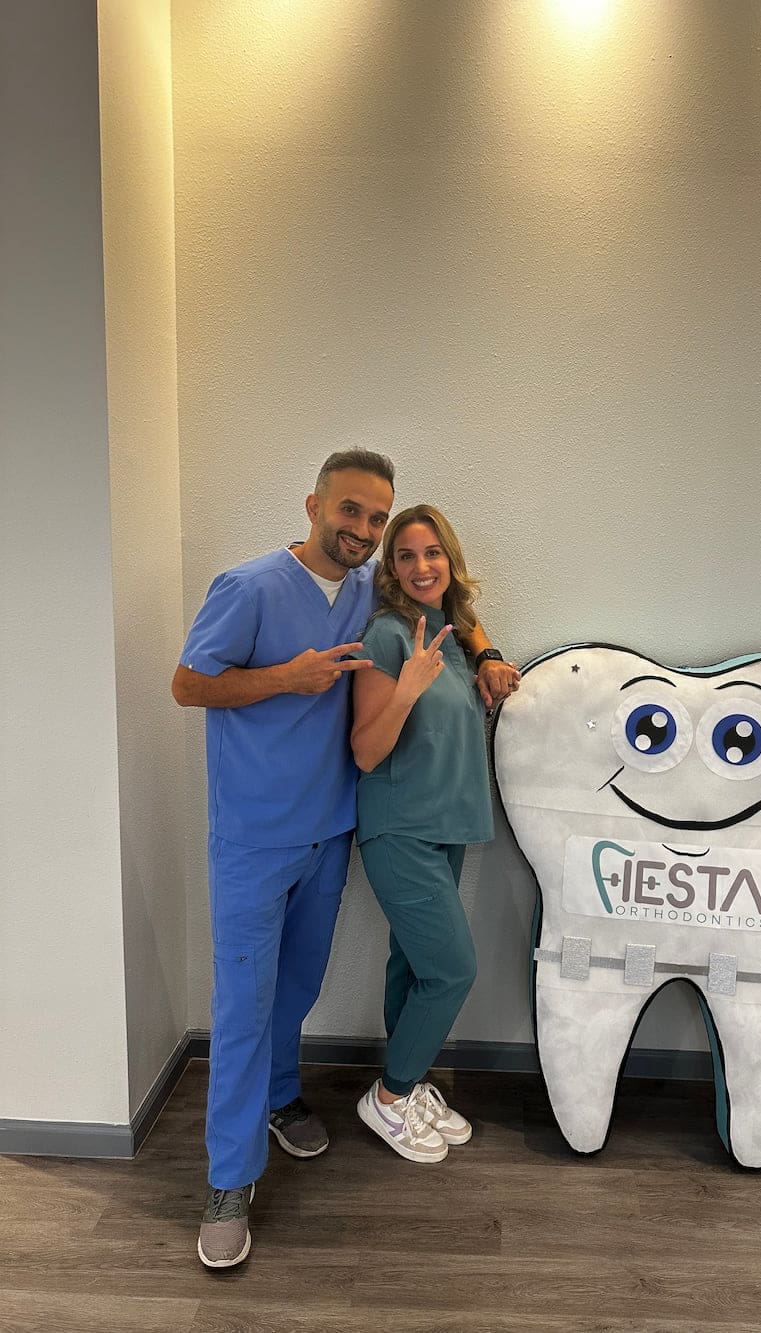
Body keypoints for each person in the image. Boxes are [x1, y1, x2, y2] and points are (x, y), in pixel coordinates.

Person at [172, 454, 517, 1268]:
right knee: (245, 1003)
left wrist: (493, 651)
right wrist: (281, 678)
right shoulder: (249, 586)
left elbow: (448, 608)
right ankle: (228, 1180)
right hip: (255, 836)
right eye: (350, 511)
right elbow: (188, 684)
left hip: (330, 830)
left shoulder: (373, 590)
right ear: (314, 504)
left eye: (376, 518)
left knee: (297, 985)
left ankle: (281, 1094)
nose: (362, 530)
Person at [350, 504, 502, 1162]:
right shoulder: (388, 635)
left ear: (450, 561)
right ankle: (387, 1096)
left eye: (432, 552)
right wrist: (406, 690)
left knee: (412, 965)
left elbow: (469, 625)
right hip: (400, 825)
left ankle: (406, 1091)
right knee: (452, 970)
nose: (421, 566)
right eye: (406, 555)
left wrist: (490, 652)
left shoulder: (454, 631)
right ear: (391, 568)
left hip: (448, 825)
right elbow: (364, 750)